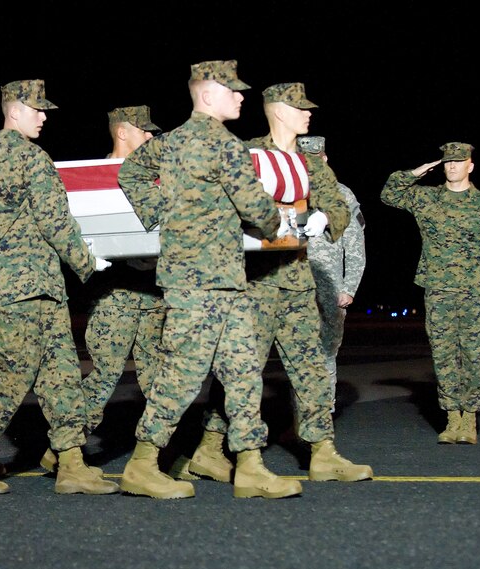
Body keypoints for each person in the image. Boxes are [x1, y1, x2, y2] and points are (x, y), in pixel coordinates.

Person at [116, 60, 298, 500]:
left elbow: (129, 172)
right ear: (208, 94)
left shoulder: (171, 143)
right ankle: (142, 464)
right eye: (233, 91)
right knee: (182, 374)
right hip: (204, 284)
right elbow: (258, 211)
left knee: (242, 374)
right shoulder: (226, 146)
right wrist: (283, 223)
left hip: (215, 282)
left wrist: (161, 210)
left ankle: (250, 465)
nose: (240, 97)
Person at [0, 79, 119, 495]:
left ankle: (72, 463)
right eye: (36, 110)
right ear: (13, 112)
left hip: (22, 287)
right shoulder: (31, 158)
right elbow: (55, 220)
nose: (44, 117)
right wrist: (86, 260)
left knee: (61, 374)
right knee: (16, 374)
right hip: (32, 287)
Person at [243, 83, 372, 483]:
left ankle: (323, 452)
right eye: (301, 107)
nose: (308, 113)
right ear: (279, 111)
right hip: (257, 282)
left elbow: (337, 203)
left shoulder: (311, 163)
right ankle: (231, 453)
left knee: (313, 368)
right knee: (243, 371)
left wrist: (325, 217)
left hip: (300, 281)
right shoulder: (247, 155)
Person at [38, 105, 171, 474]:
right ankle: (64, 450)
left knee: (160, 379)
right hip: (114, 294)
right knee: (103, 378)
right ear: (123, 132)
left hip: (154, 291)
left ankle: (159, 456)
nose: (150, 138)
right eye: (144, 131)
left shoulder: (159, 177)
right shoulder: (91, 183)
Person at [380, 142, 480, 444]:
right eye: (447, 161)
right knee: (444, 356)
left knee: (473, 357)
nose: (452, 166)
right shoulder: (428, 198)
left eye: (459, 161)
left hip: (475, 291)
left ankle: (469, 419)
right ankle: (452, 418)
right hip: (438, 290)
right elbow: (389, 195)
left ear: (470, 166)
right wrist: (415, 172)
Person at [297, 135, 366, 413]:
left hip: (329, 286)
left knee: (326, 353)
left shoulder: (342, 195)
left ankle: (322, 415)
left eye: (316, 159)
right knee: (298, 354)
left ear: (324, 159)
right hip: (294, 286)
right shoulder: (289, 193)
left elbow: (355, 246)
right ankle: (302, 414)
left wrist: (349, 287)